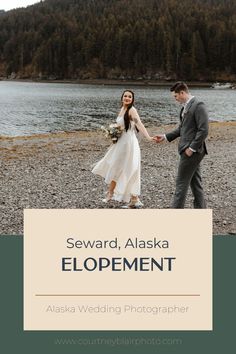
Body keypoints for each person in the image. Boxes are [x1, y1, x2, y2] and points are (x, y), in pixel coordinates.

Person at [92, 89, 153, 208]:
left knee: (127, 168)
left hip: (128, 144)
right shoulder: (123, 109)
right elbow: (120, 127)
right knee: (116, 166)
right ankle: (113, 194)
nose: (127, 98)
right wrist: (113, 133)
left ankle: (132, 197)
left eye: (130, 97)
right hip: (120, 143)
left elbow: (139, 124)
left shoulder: (132, 110)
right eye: (125, 96)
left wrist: (149, 137)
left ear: (132, 100)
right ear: (122, 98)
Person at [154, 81, 208, 208]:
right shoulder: (185, 107)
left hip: (192, 152)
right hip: (190, 151)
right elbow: (182, 129)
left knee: (181, 184)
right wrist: (165, 137)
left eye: (176, 96)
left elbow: (203, 130)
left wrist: (191, 148)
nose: (175, 99)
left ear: (182, 93)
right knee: (196, 184)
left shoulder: (198, 105)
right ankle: (201, 211)